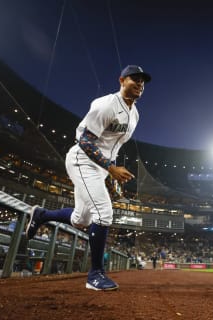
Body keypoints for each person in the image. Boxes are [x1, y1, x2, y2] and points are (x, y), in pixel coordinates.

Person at [25, 65, 151, 291]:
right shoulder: (106, 105)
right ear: (121, 80)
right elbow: (85, 141)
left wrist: (109, 173)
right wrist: (111, 169)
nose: (140, 83)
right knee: (104, 213)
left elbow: (112, 146)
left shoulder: (135, 114)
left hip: (100, 167)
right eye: (135, 79)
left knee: (80, 219)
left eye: (143, 81)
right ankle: (95, 275)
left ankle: (42, 215)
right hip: (82, 160)